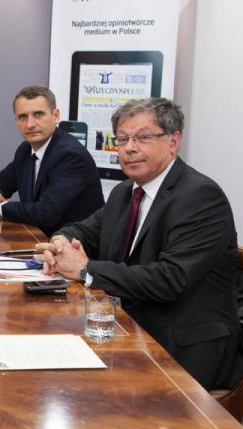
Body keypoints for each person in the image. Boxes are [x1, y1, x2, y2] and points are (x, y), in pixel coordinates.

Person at [35, 98, 243, 390]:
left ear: (173, 142)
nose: (129, 148)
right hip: (124, 329)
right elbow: (83, 230)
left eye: (142, 138)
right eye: (122, 139)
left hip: (183, 346)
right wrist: (60, 243)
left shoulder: (201, 197)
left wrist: (85, 269)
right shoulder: (124, 192)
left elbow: (170, 279)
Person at [0, 85, 103, 236]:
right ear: (16, 121)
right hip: (38, 238)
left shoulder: (70, 155)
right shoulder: (25, 150)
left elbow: (45, 213)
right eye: (23, 117)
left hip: (74, 244)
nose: (30, 124)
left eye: (38, 114)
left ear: (55, 116)